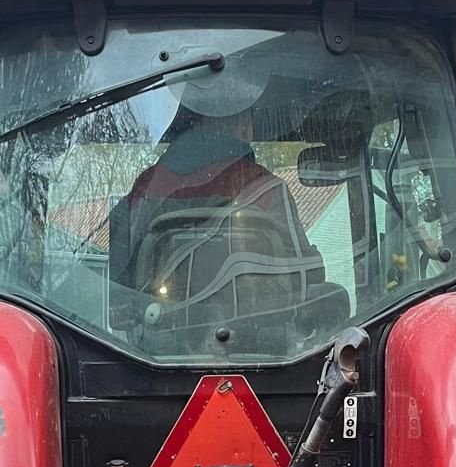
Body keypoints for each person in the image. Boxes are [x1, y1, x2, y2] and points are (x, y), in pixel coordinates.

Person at [107, 70, 329, 325]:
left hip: (159, 338)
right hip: (263, 343)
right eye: (248, 119)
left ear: (189, 120)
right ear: (242, 123)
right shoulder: (266, 188)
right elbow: (305, 277)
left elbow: (120, 287)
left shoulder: (146, 189)